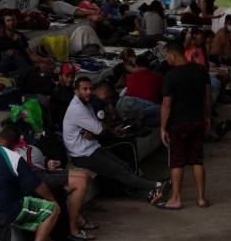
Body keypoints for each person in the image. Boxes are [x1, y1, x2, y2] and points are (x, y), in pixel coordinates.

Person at [63, 76, 170, 203]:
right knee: (120, 171)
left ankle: (149, 192)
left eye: (90, 89)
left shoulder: (85, 103)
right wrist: (95, 128)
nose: (88, 92)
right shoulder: (77, 108)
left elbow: (98, 127)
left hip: (92, 147)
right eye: (84, 89)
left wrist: (94, 128)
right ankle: (157, 186)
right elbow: (99, 129)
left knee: (124, 166)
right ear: (76, 91)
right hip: (82, 154)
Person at [158, 41, 211, 210]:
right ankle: (201, 198)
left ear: (173, 55)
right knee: (197, 160)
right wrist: (208, 117)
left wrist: (162, 127)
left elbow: (166, 104)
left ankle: (175, 198)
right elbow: (207, 97)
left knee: (177, 162)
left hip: (178, 124)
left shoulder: (170, 76)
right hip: (198, 121)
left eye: (167, 56)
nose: (166, 60)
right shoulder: (201, 70)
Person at [14, 141, 93, 241]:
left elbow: (36, 164)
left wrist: (50, 162)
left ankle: (74, 223)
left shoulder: (28, 147)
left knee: (84, 176)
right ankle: (72, 229)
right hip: (32, 179)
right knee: (80, 182)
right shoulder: (5, 152)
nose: (22, 137)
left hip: (40, 173)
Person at [116, 54, 163, 126]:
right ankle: (140, 119)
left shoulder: (130, 78)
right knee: (165, 111)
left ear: (137, 66)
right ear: (149, 65)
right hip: (149, 109)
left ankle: (136, 120)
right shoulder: (157, 76)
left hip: (131, 108)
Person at [210, 14, 231, 91]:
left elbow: (230, 48)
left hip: (222, 55)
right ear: (225, 23)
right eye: (230, 24)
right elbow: (227, 50)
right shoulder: (222, 33)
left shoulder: (228, 32)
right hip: (215, 57)